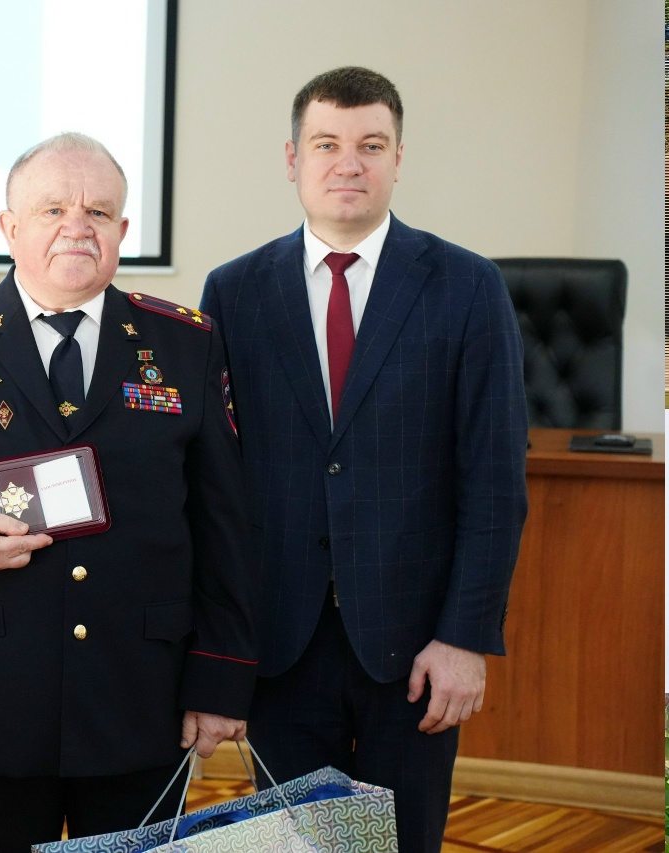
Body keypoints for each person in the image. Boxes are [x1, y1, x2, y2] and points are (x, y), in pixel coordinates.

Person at [0, 133, 258, 851]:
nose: (78, 226)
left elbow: (224, 521)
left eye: (98, 212)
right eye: (52, 209)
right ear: (9, 228)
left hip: (142, 697)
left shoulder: (185, 343)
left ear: (122, 230)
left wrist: (221, 680)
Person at [200, 67, 528, 853]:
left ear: (398, 158)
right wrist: (220, 654)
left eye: (371, 145)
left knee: (404, 844)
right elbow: (213, 487)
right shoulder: (234, 292)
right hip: (280, 647)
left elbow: (493, 482)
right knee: (305, 848)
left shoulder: (467, 286)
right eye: (327, 144)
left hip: (417, 651)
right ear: (292, 158)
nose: (349, 163)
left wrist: (465, 636)